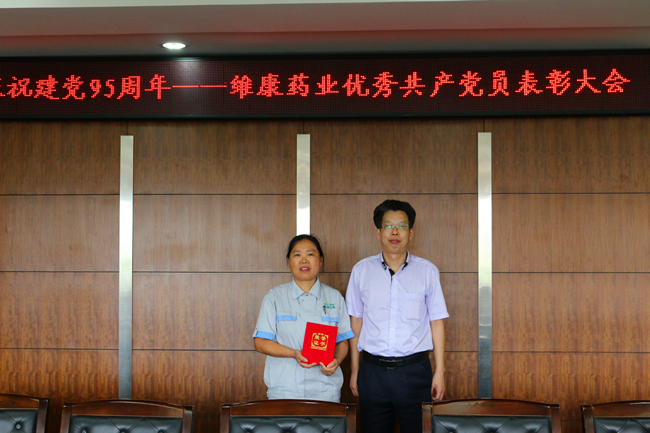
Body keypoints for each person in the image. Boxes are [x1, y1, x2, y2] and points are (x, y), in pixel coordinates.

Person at [346, 199, 449, 433]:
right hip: (372, 371)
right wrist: (355, 370)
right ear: (378, 232)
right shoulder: (361, 270)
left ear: (411, 232)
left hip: (414, 371)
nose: (395, 232)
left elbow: (436, 322)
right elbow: (356, 322)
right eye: (388, 226)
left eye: (401, 226)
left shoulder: (427, 271)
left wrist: (440, 371)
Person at [253, 234, 355, 402]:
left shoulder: (334, 297)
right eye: (297, 254)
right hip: (284, 390)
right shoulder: (275, 296)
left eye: (310, 254)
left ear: (320, 261)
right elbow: (260, 342)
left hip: (326, 390)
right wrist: (294, 354)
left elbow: (342, 341)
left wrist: (336, 361)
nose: (304, 260)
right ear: (289, 261)